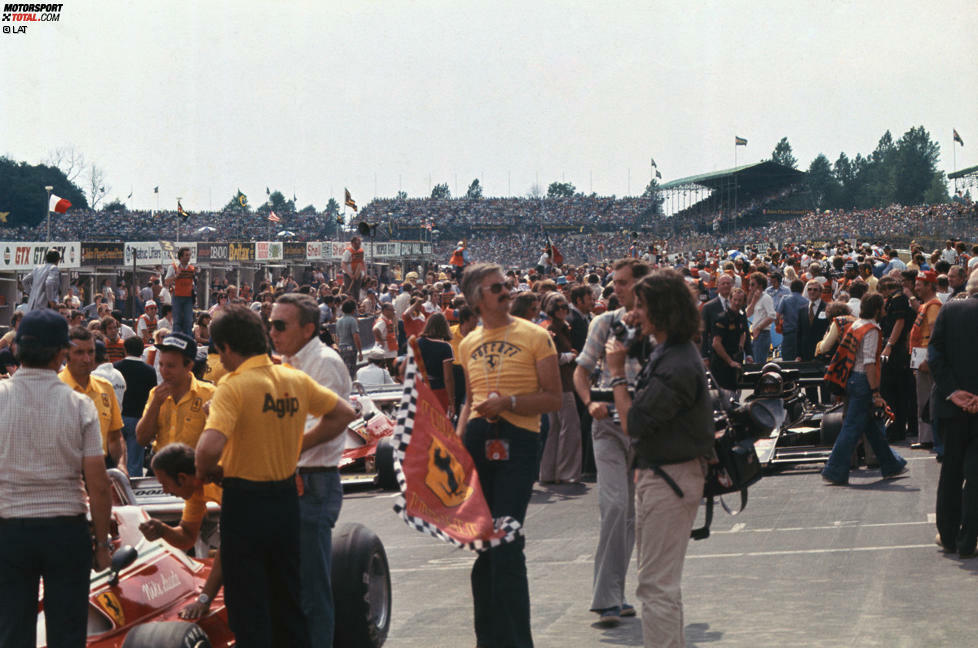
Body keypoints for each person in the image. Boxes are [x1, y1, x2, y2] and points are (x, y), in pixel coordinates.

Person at [195, 305, 356, 648]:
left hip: (246, 499)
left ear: (226, 347)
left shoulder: (232, 386)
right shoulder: (293, 378)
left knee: (249, 601)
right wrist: (298, 444)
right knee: (289, 597)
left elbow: (207, 449)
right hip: (285, 497)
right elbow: (344, 412)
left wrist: (206, 470)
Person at [605, 269, 714, 648]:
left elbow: (633, 422)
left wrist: (617, 376)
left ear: (661, 310)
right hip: (667, 474)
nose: (634, 312)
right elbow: (638, 348)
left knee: (656, 587)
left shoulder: (676, 362)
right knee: (662, 585)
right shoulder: (673, 351)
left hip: (669, 478)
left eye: (640, 306)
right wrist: (633, 325)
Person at [456, 262, 561, 648]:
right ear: (477, 298)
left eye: (506, 285)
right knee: (485, 543)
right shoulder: (466, 343)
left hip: (519, 439)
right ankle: (489, 639)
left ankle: (518, 641)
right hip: (478, 440)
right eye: (496, 287)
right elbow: (468, 400)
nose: (506, 291)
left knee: (506, 536)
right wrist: (456, 443)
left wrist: (511, 402)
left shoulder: (536, 336)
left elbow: (553, 397)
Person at [0, 309, 113, 647]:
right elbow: (98, 483)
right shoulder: (79, 405)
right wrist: (103, 544)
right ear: (61, 352)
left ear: (17, 349)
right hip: (66, 530)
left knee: (11, 628)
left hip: (9, 530)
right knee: (67, 630)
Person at [269, 293, 353, 646]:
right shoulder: (287, 364)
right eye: (269, 323)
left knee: (310, 588)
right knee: (288, 586)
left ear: (307, 329)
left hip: (311, 480)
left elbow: (332, 420)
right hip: (288, 481)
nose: (272, 332)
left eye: (279, 325)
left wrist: (287, 450)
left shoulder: (323, 362)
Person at [573, 258, 651, 626]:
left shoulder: (658, 327)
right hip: (606, 425)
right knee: (615, 507)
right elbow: (581, 370)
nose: (615, 287)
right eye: (614, 282)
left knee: (633, 516)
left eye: (622, 282)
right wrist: (589, 402)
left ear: (640, 285)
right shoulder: (603, 323)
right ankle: (605, 598)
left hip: (644, 428)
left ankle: (616, 594)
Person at [820, 293, 908, 485]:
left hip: (852, 379)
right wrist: (875, 391)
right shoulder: (872, 330)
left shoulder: (857, 325)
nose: (885, 310)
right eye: (883, 307)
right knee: (852, 427)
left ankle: (891, 464)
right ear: (877, 310)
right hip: (863, 382)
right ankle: (834, 469)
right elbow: (869, 362)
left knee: (870, 426)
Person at [138, 443, 224, 619]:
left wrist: (204, 600)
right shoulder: (195, 488)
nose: (164, 491)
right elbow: (187, 536)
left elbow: (230, 546)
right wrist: (163, 530)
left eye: (164, 484)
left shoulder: (227, 481)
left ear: (182, 478)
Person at [931, 271, 978, 557]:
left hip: (952, 407)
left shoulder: (949, 309)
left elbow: (934, 354)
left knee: (950, 470)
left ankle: (948, 535)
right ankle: (969, 537)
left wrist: (953, 392)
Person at [136, 332, 215, 454]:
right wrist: (155, 405)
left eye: (171, 366)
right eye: (161, 364)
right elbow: (142, 439)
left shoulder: (209, 394)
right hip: (161, 468)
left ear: (189, 365)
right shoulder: (155, 394)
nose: (164, 371)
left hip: (195, 469)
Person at [60, 326, 126, 471]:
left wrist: (121, 464)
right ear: (66, 354)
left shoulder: (106, 388)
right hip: (65, 473)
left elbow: (115, 437)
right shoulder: (54, 389)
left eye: (91, 352)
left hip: (102, 469)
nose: (87, 359)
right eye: (79, 352)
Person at [539, 292, 582, 484]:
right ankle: (566, 473)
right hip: (561, 384)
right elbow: (551, 359)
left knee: (555, 429)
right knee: (569, 428)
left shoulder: (562, 328)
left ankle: (549, 473)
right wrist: (570, 356)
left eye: (565, 307)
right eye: (559, 308)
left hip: (558, 383)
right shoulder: (551, 330)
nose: (563, 310)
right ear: (551, 310)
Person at [115, 335, 158, 476]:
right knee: (134, 461)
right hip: (138, 419)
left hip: (118, 418)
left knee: (117, 459)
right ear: (141, 350)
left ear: (125, 349)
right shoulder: (149, 371)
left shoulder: (116, 368)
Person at [909, 270, 941, 450]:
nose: (916, 288)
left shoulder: (934, 305)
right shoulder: (925, 305)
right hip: (919, 358)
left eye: (919, 284)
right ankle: (926, 437)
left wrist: (928, 358)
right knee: (922, 398)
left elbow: (934, 334)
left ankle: (929, 438)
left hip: (925, 359)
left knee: (926, 398)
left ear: (929, 285)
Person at [710, 288, 750, 391]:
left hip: (735, 363)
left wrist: (741, 346)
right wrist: (730, 361)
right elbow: (716, 343)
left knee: (735, 393)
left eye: (740, 300)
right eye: (735, 300)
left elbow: (743, 332)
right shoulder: (722, 318)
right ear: (730, 300)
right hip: (722, 364)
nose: (737, 303)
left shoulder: (740, 316)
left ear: (743, 302)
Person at [415, 312, 455, 412]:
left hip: (420, 390)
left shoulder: (417, 342)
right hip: (439, 392)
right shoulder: (445, 347)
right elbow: (448, 378)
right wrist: (451, 401)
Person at [700, 273, 734, 363]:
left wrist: (749, 354)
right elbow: (704, 333)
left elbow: (744, 331)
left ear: (732, 285)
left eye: (728, 283)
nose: (726, 285)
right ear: (718, 286)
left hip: (735, 354)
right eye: (723, 283)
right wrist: (704, 356)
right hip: (715, 355)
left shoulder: (738, 304)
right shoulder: (708, 307)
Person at [746, 271, 775, 363]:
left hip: (762, 334)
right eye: (749, 285)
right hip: (756, 335)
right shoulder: (756, 298)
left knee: (758, 363)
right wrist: (754, 300)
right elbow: (747, 314)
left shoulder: (766, 298)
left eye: (753, 285)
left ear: (760, 285)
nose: (750, 288)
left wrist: (758, 328)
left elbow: (772, 316)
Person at [776, 279, 807, 362]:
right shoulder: (806, 301)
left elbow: (777, 315)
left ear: (791, 288)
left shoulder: (785, 299)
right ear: (802, 289)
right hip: (801, 335)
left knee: (787, 360)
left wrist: (778, 326)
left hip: (788, 333)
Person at [335, 298, 362, 378]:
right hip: (350, 349)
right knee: (350, 373)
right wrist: (360, 351)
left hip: (341, 348)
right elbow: (356, 336)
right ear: (353, 310)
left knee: (343, 373)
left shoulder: (339, 321)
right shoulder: (352, 320)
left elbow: (337, 337)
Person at [341, 235, 366, 300]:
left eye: (359, 244)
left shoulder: (361, 251)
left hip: (358, 273)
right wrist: (350, 274)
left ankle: (357, 304)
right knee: (350, 292)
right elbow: (343, 264)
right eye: (356, 244)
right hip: (349, 275)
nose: (358, 245)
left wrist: (365, 273)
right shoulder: (348, 252)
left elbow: (362, 262)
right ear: (352, 243)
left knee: (357, 291)